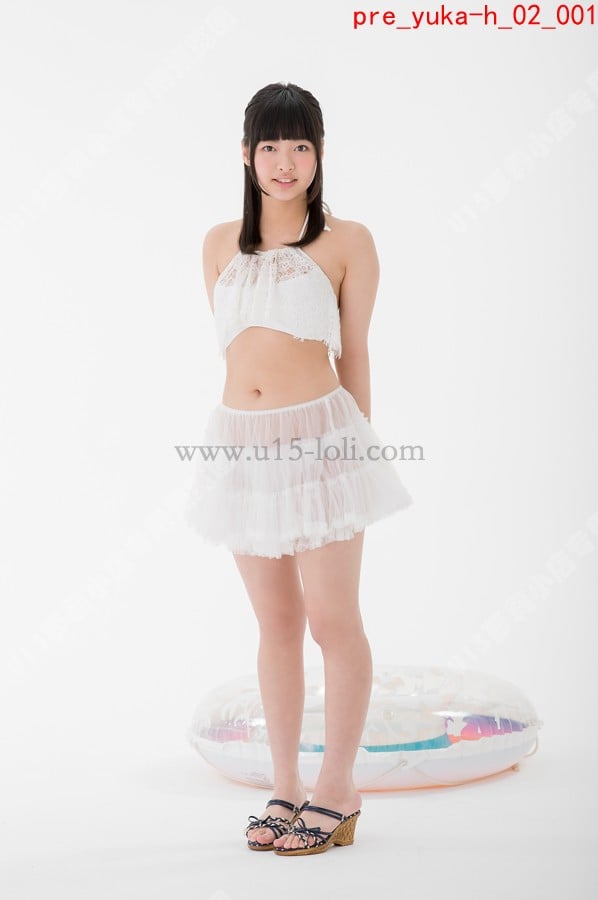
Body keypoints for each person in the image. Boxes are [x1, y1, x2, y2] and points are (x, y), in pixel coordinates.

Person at [186, 82, 412, 856]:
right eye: (271, 146)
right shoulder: (219, 244)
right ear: (246, 155)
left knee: (331, 620)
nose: (285, 162)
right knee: (275, 624)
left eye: (301, 145)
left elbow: (357, 353)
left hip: (322, 442)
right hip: (242, 445)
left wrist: (356, 453)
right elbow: (236, 351)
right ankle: (285, 785)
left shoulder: (347, 242)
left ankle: (337, 789)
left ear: (320, 154)